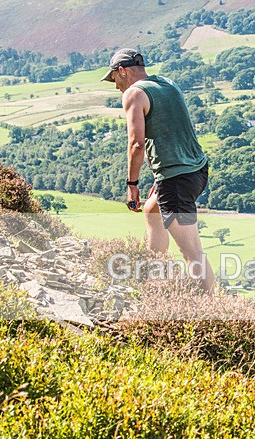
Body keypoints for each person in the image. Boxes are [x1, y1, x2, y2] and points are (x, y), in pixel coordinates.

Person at [102, 48, 214, 293]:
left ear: (122, 71)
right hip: (196, 170)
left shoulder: (134, 93)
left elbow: (136, 144)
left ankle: (211, 311)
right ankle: (154, 280)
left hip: (176, 179)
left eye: (114, 79)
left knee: (192, 251)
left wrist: (132, 186)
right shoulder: (167, 84)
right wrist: (160, 176)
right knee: (153, 210)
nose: (115, 86)